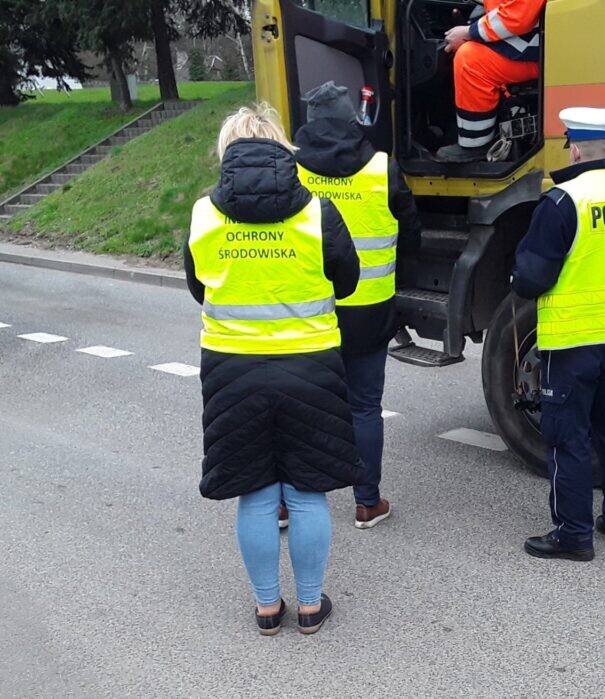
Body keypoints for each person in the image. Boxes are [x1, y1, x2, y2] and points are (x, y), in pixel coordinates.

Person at [184, 103, 364, 634]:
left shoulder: (203, 214)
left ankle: (267, 607)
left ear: (228, 153)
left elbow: (198, 286)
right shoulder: (319, 212)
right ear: (283, 149)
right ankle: (309, 605)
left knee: (256, 491)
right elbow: (347, 281)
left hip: (231, 370)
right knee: (306, 489)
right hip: (310, 368)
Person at [511, 107, 605, 561]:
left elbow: (532, 277)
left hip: (574, 339)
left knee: (567, 437)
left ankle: (573, 534)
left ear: (573, 150)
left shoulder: (563, 201)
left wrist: (517, 277)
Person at [291, 81, 422, 530]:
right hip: (369, 310)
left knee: (301, 405)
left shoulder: (292, 170)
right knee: (364, 407)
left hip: (310, 309)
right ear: (353, 120)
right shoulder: (383, 167)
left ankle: (290, 503)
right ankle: (367, 502)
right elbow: (411, 234)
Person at [436, 0, 546, 163]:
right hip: (537, 41)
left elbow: (517, 17)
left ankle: (475, 144)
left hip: (537, 49)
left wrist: (469, 32)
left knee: (470, 60)